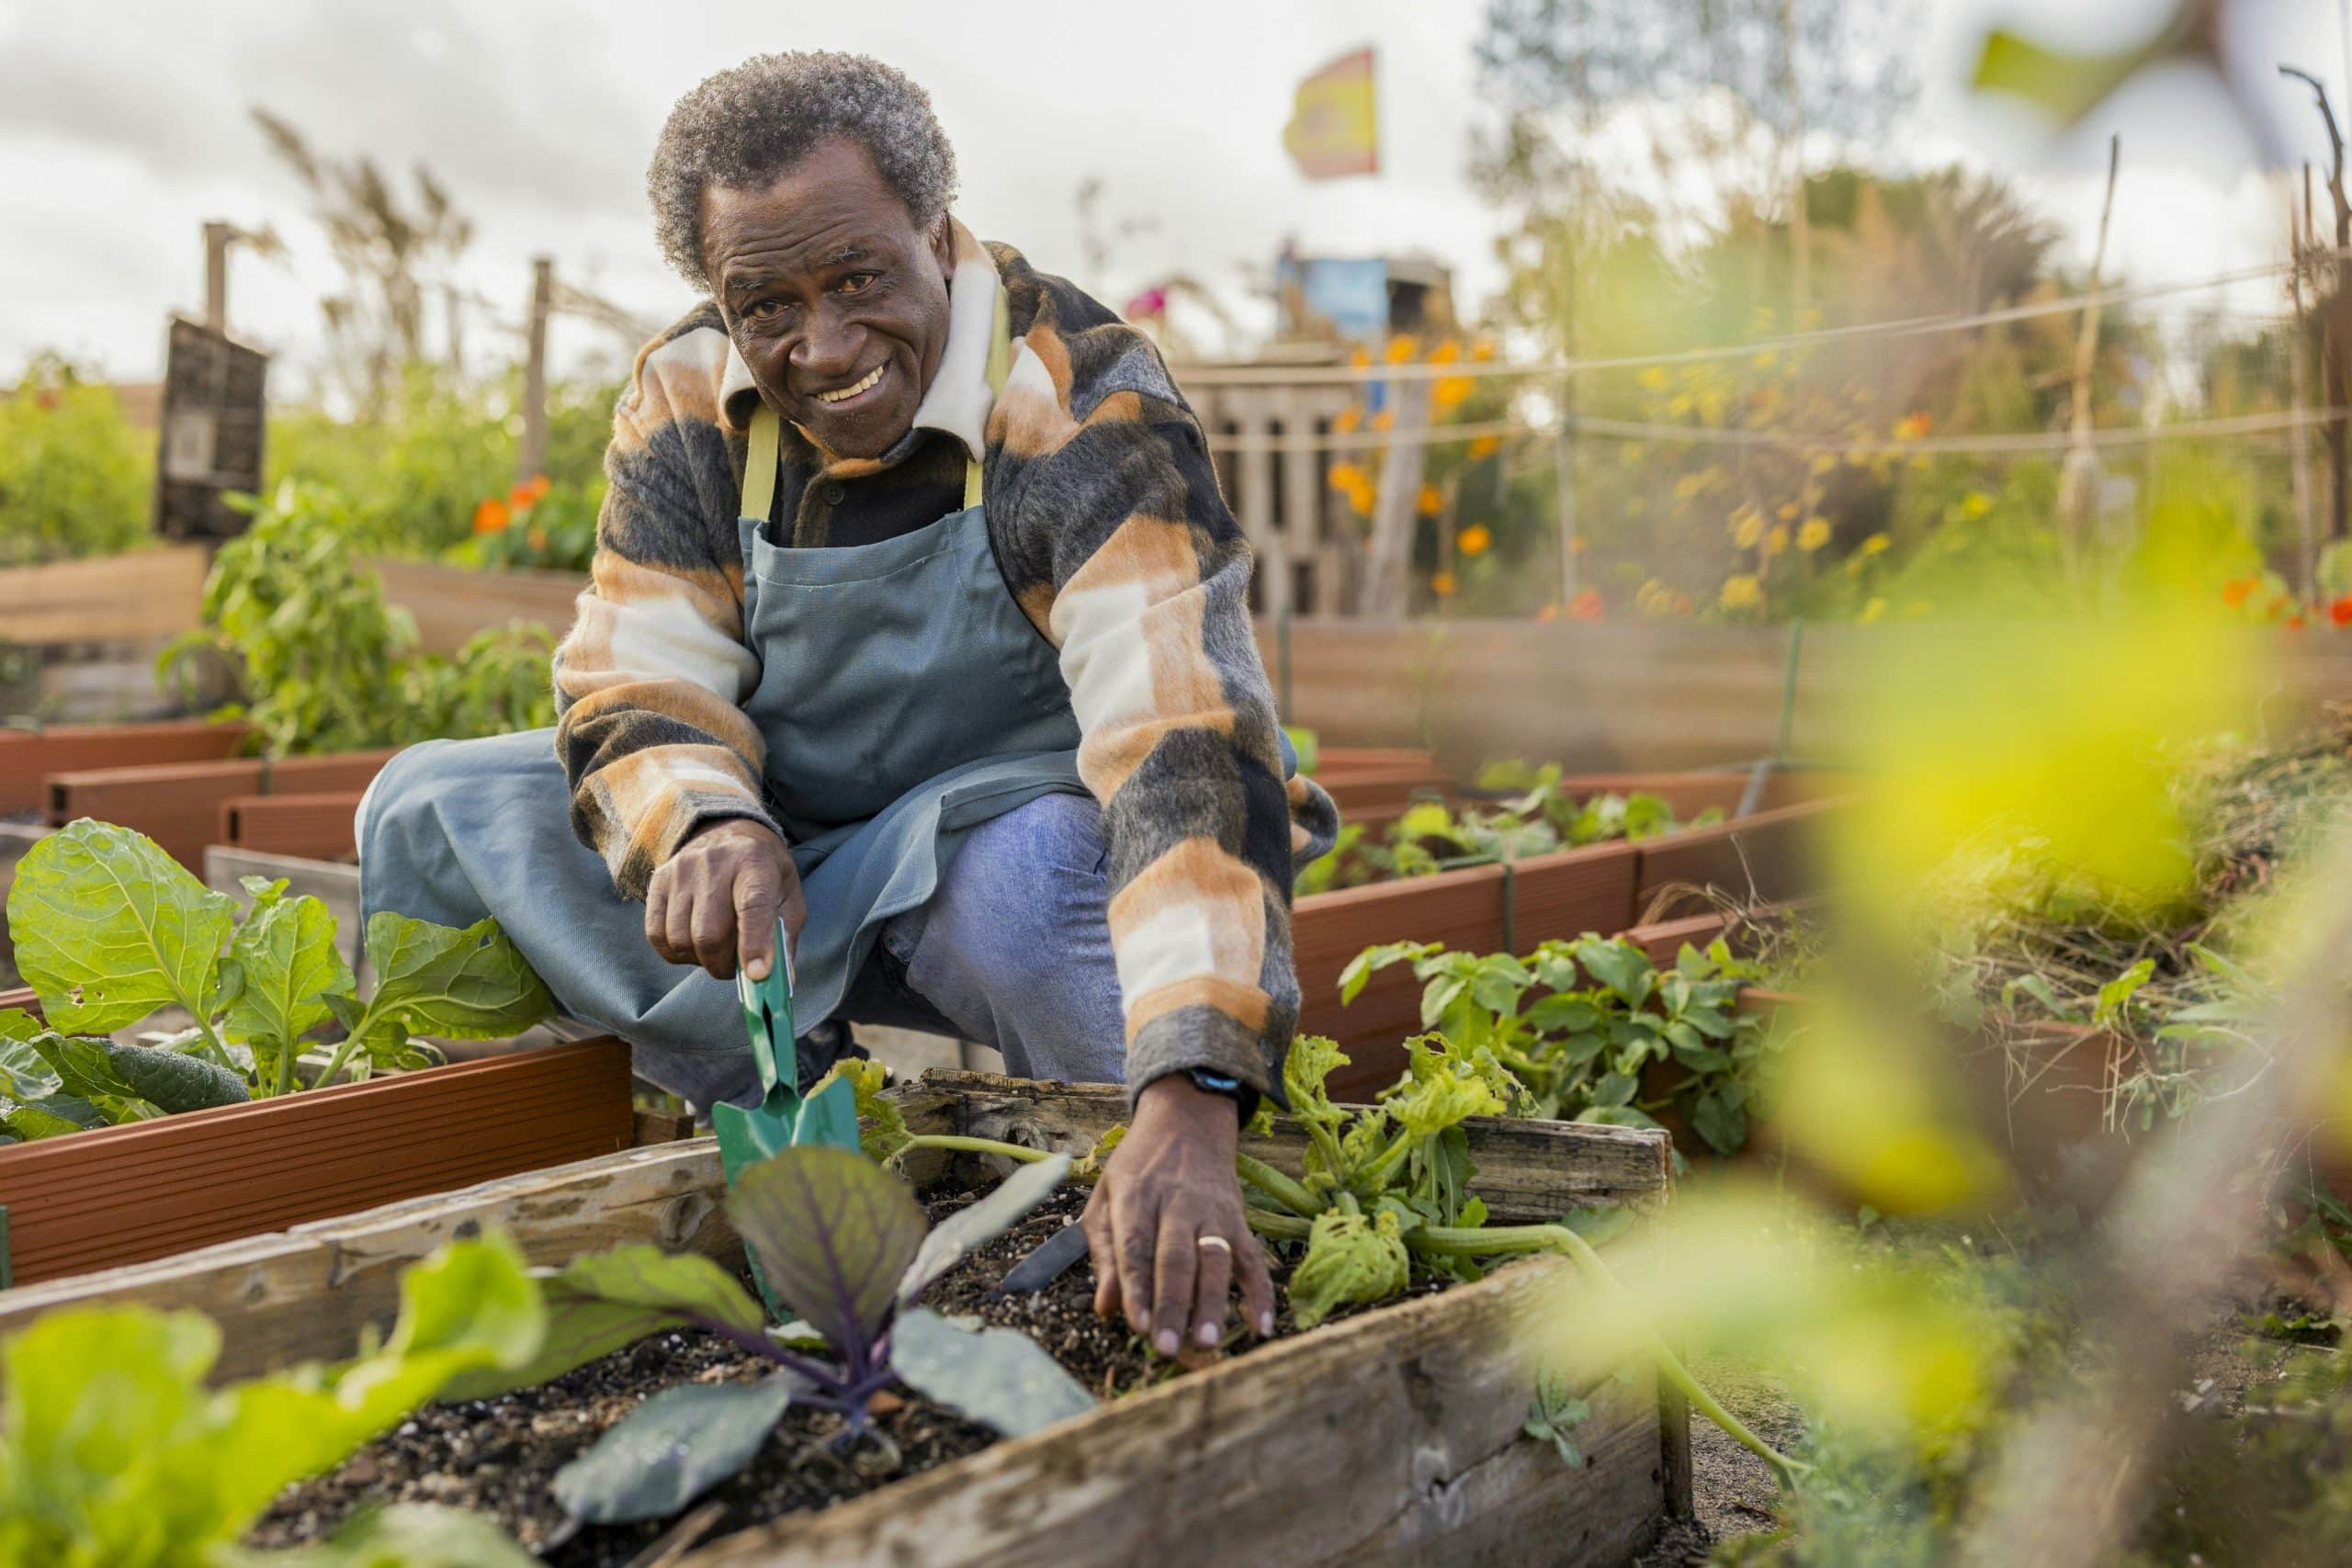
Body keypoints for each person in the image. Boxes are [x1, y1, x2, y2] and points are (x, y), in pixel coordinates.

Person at [357, 51, 1337, 1360]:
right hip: (796, 858)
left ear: (938, 236)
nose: (822, 347)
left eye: (861, 280)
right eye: (767, 302)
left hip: (994, 841)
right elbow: (636, 669)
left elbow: (1184, 737)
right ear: (719, 293)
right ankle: (727, 1157)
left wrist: (1199, 1086)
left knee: (1029, 885)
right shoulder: (689, 396)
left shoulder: (1074, 390)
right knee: (433, 806)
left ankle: (1147, 1195)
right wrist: (707, 822)